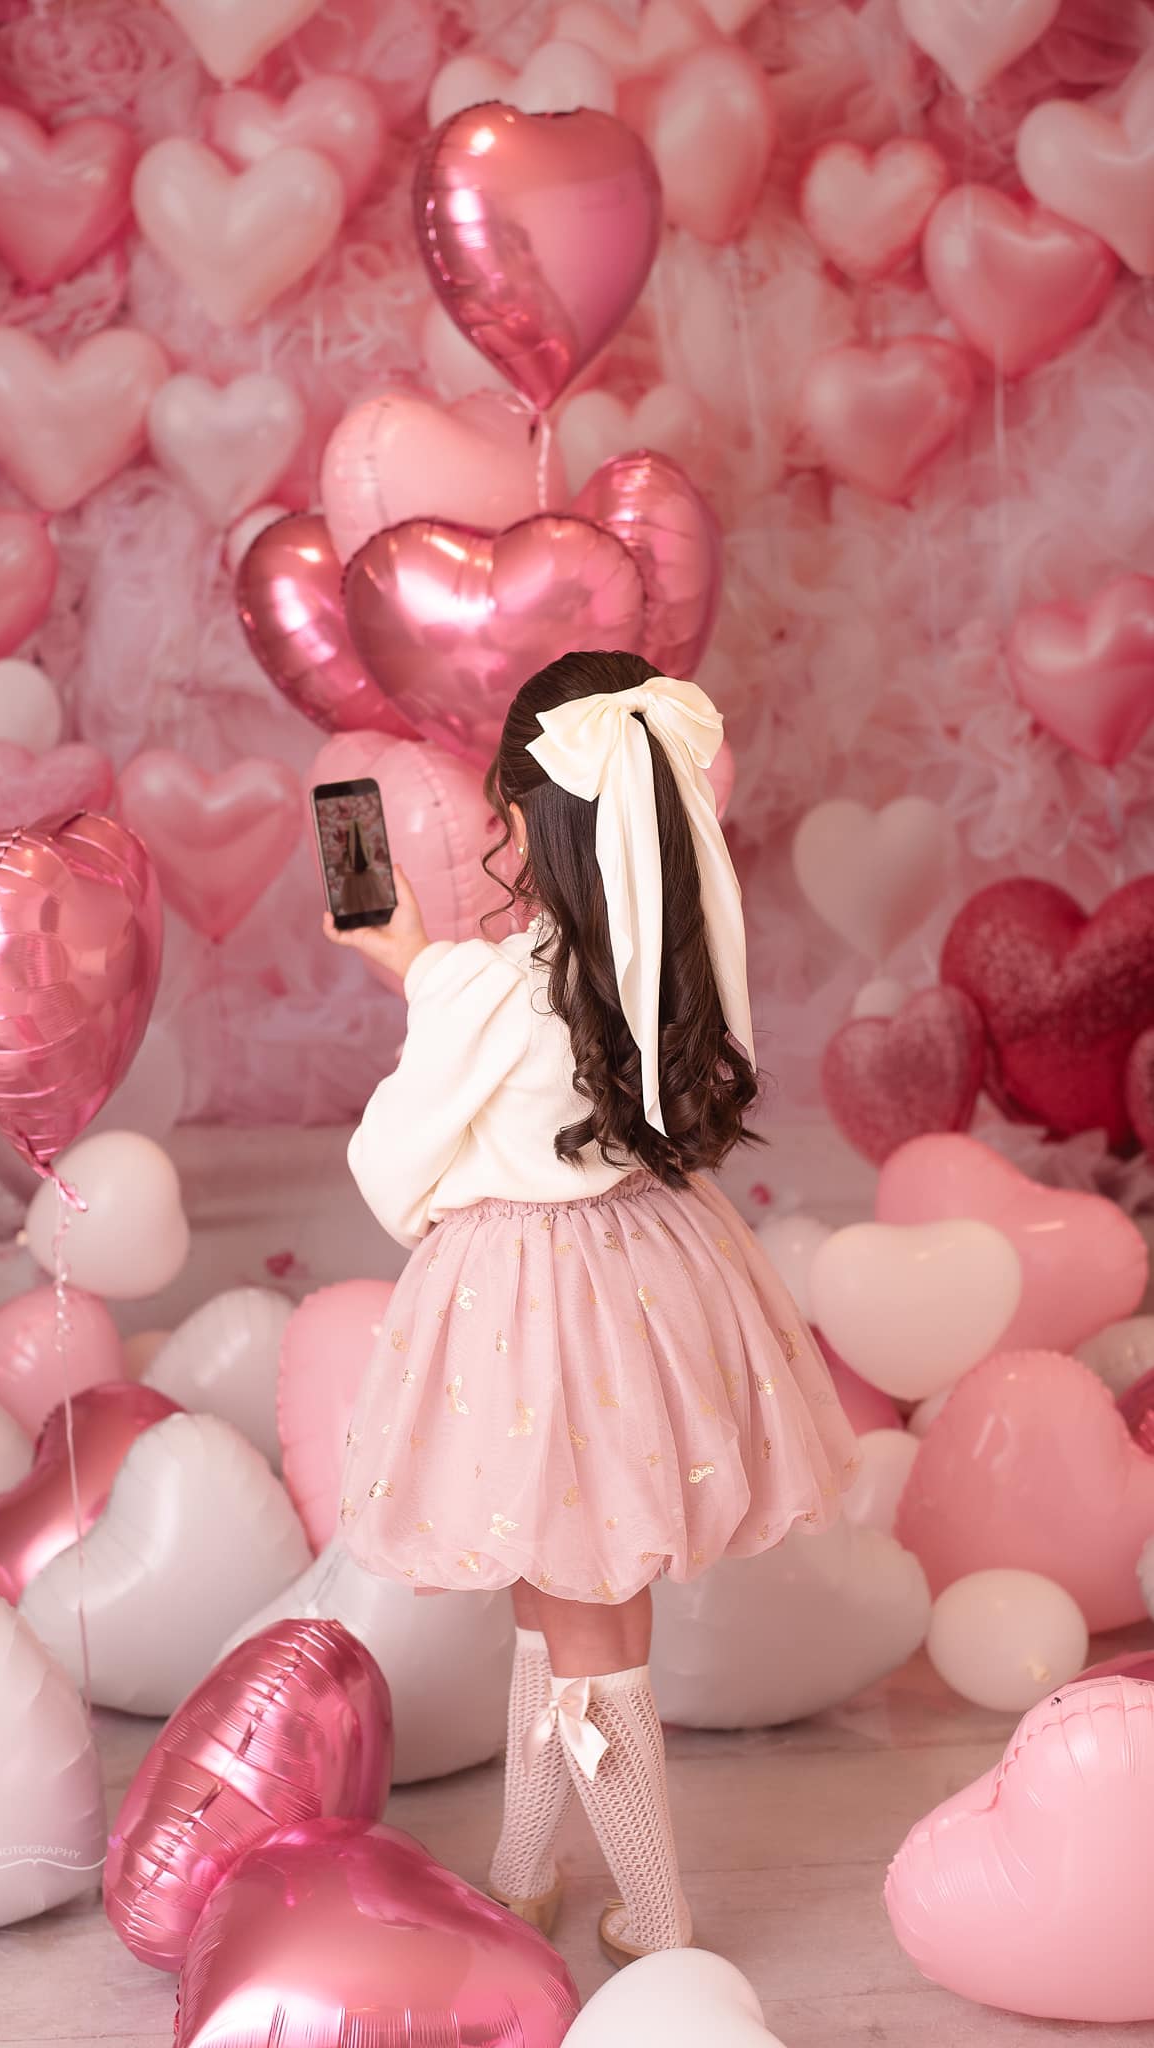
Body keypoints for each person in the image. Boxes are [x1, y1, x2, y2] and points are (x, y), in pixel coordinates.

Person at [323, 649, 857, 1968]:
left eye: (502, 811)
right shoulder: (656, 975)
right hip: (643, 1294)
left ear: (528, 818)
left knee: (573, 1618)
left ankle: (657, 1913)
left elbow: (393, 1166)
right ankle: (519, 1868)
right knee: (572, 1602)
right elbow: (527, 1037)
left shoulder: (492, 991)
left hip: (527, 1321)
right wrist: (429, 980)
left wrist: (417, 978)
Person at [335, 816, 393, 917]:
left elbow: (344, 868)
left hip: (353, 882)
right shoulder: (368, 847)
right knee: (372, 904)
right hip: (369, 879)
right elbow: (369, 861)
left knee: (358, 909)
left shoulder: (346, 852)